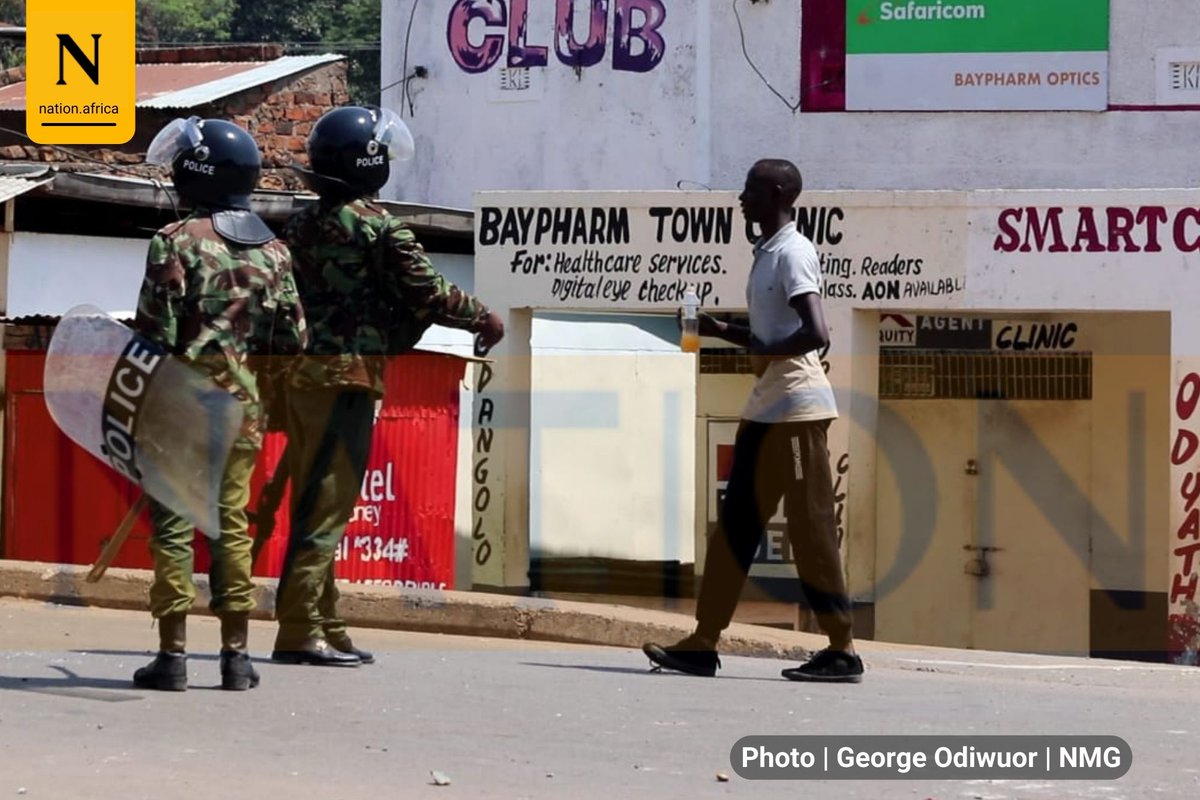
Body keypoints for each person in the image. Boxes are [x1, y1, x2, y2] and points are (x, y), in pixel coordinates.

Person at [271, 104, 505, 667]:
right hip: (347, 377)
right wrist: (483, 318)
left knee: (312, 501)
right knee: (326, 508)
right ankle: (299, 630)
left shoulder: (298, 224)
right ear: (369, 165)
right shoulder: (379, 228)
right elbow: (427, 292)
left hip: (299, 379)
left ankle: (325, 620)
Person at [642, 158, 863, 683]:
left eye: (751, 190)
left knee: (811, 531)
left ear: (780, 194)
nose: (741, 199)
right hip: (767, 409)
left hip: (797, 412)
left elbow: (816, 332)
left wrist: (762, 344)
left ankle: (843, 649)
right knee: (735, 529)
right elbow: (772, 336)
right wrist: (719, 328)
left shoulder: (792, 252)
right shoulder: (765, 253)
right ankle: (702, 642)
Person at [132, 116, 307, 691]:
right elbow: (293, 343)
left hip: (178, 405)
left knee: (176, 526)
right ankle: (236, 658)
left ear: (196, 174)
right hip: (241, 409)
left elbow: (151, 336)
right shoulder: (275, 253)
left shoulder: (174, 241)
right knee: (232, 526)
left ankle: (174, 657)